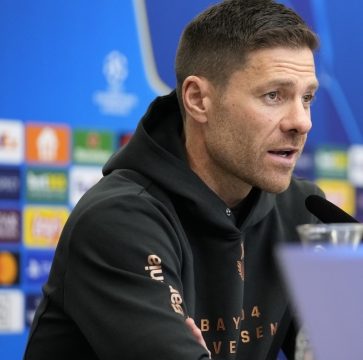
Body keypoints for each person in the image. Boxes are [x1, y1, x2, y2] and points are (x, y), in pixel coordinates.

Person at [23, 1, 322, 359]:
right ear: (198, 100)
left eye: (307, 98)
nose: (301, 122)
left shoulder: (304, 211)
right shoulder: (119, 221)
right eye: (274, 95)